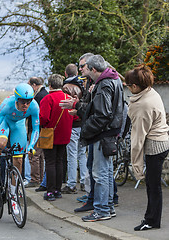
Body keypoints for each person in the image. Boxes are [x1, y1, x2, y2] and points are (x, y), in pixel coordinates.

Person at [79, 55, 124, 222]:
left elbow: (102, 115)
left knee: (100, 174)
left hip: (102, 133)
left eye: (86, 68)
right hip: (110, 132)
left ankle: (102, 210)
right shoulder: (114, 79)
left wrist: (86, 129)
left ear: (94, 69)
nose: (84, 71)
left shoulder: (104, 84)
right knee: (105, 172)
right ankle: (108, 207)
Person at [125, 64, 169, 231]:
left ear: (135, 86)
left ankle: (152, 220)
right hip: (163, 141)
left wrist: (136, 167)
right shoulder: (151, 91)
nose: (128, 89)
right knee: (153, 185)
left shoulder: (142, 105)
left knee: (153, 186)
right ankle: (151, 218)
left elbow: (137, 139)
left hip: (155, 146)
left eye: (129, 86)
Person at [0, 83, 39, 214]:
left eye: (28, 101)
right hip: (4, 122)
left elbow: (36, 129)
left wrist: (31, 146)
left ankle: (13, 196)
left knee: (19, 162)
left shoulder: (34, 107)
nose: (26, 105)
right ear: (17, 99)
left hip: (18, 126)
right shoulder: (7, 105)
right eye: (23, 102)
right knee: (1, 144)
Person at [39, 74, 75, 201]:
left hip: (50, 134)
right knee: (60, 161)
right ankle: (58, 190)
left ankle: (50, 191)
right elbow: (75, 116)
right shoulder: (68, 98)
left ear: (50, 85)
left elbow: (44, 118)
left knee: (50, 162)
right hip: (65, 134)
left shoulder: (47, 99)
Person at [61, 63, 88, 194]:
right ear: (77, 72)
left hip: (72, 124)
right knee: (82, 154)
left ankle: (71, 184)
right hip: (82, 123)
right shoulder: (83, 85)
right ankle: (84, 181)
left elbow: (66, 107)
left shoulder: (65, 87)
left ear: (66, 74)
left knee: (71, 155)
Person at [25, 77, 48, 188]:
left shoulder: (38, 97)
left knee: (33, 154)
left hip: (35, 129)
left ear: (34, 85)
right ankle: (40, 178)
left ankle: (35, 179)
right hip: (42, 129)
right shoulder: (45, 93)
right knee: (40, 155)